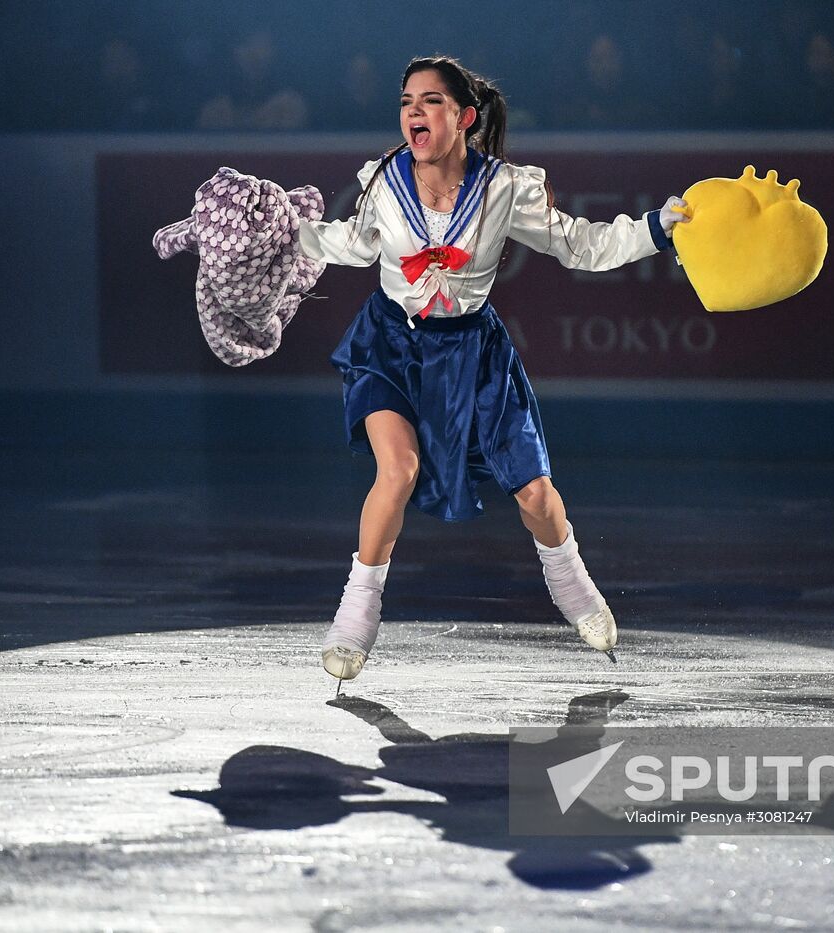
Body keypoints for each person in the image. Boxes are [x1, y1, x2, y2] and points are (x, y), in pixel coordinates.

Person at [296, 55, 691, 684]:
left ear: (464, 118)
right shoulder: (382, 183)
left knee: (536, 494)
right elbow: (349, 242)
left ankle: (575, 588)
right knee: (396, 471)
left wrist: (654, 229)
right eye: (405, 102)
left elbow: (579, 245)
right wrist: (280, 232)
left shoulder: (506, 189)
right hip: (390, 347)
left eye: (429, 101)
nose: (412, 113)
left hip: (473, 356)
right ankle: (355, 615)